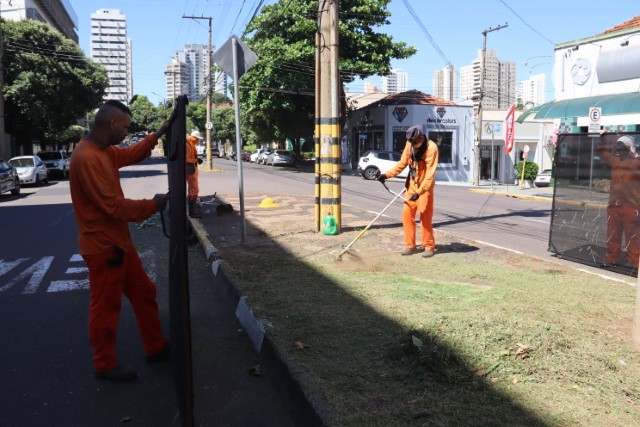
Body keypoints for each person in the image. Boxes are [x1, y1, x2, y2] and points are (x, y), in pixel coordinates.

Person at [69, 100, 171, 382]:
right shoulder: (86, 157)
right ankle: (104, 364)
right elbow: (112, 206)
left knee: (144, 292)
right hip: (103, 248)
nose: (127, 132)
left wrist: (157, 134)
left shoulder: (105, 151)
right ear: (113, 123)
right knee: (105, 308)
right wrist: (152, 205)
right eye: (125, 126)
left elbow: (130, 154)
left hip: (119, 244)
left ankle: (156, 347)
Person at [377, 125, 439, 257]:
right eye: (411, 142)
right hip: (411, 186)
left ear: (421, 137)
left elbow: (429, 174)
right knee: (406, 215)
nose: (413, 144)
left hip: (424, 188)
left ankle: (428, 246)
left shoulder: (431, 148)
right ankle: (410, 246)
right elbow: (402, 163)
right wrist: (386, 175)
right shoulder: (409, 144)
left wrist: (420, 191)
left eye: (415, 142)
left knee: (425, 217)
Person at [596, 133, 640, 269]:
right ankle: (613, 259)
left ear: (629, 148)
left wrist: (602, 138)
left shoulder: (635, 162)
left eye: (621, 147)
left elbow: (602, 152)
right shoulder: (617, 159)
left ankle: (634, 263)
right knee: (613, 235)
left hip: (630, 206)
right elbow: (602, 152)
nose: (619, 150)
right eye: (618, 147)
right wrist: (602, 138)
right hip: (617, 205)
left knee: (633, 237)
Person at [186, 131, 203, 218]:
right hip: (190, 171)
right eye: (197, 139)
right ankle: (192, 213)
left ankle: (192, 212)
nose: (198, 141)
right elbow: (186, 159)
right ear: (194, 138)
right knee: (193, 191)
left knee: (192, 191)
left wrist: (196, 159)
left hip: (192, 170)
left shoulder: (191, 145)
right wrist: (196, 160)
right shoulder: (188, 145)